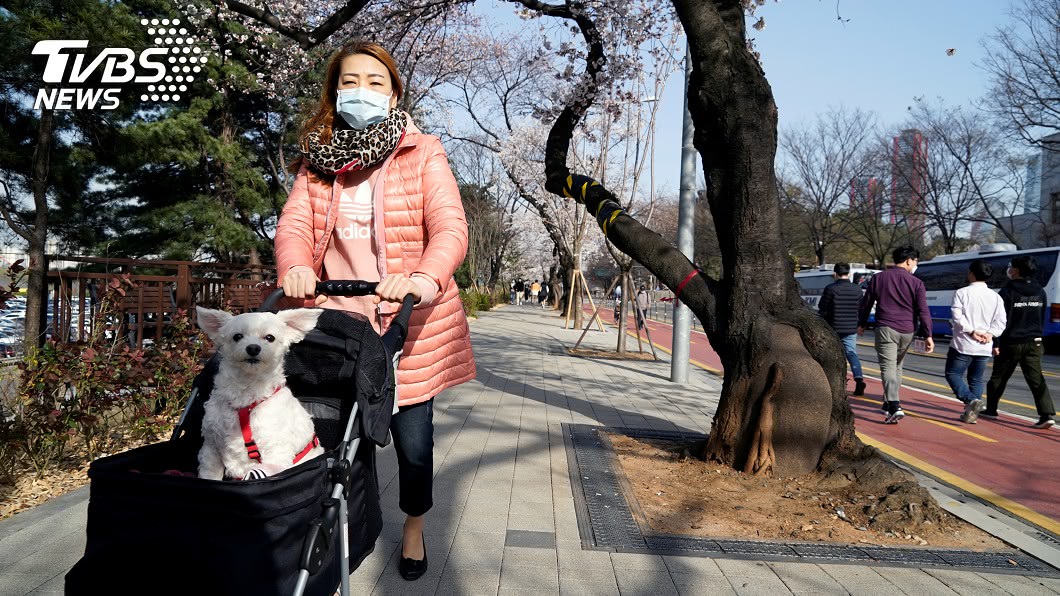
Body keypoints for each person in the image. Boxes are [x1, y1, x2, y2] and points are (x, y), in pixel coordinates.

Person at [274, 41, 476, 581]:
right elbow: (294, 225)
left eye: (374, 82)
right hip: (335, 320)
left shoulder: (422, 152)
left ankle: (413, 524)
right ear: (333, 91)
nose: (360, 91)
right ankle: (336, 521)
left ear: (393, 94)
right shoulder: (316, 162)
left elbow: (450, 227)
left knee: (413, 443)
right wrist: (294, 265)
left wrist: (422, 278)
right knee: (329, 436)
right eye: (350, 81)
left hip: (405, 326)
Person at [858, 246, 934, 424]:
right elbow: (923, 310)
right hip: (907, 330)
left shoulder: (879, 278)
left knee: (888, 367)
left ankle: (893, 404)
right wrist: (928, 334)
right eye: (915, 261)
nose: (915, 264)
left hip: (885, 327)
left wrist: (861, 324)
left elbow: (866, 303)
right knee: (898, 367)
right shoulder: (917, 283)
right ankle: (888, 402)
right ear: (908, 260)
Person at [983, 255, 1056, 428]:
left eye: (1011, 267)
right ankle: (1046, 414)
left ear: (1016, 270)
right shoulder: (1040, 291)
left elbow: (1000, 320)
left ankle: (991, 409)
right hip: (1035, 341)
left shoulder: (1008, 292)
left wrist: (996, 343)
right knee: (1036, 378)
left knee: (999, 377)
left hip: (1012, 341)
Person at [944, 259, 1006, 424]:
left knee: (953, 374)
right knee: (976, 379)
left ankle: (970, 400)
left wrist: (972, 331)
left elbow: (957, 317)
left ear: (971, 273)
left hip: (963, 343)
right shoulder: (996, 297)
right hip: (985, 346)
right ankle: (971, 414)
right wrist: (990, 334)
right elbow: (1001, 322)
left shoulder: (962, 293)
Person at [817, 263, 866, 397]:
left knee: (831, 354)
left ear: (835, 274)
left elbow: (823, 308)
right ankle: (859, 379)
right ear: (849, 273)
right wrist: (860, 324)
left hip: (833, 327)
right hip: (850, 328)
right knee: (851, 353)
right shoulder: (857, 289)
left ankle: (834, 382)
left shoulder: (831, 288)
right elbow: (861, 309)